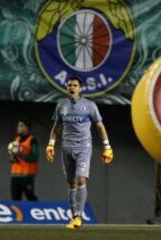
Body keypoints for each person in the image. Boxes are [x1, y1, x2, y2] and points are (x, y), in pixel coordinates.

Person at [45, 76, 114, 229]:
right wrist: (51, 144)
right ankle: (74, 215)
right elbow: (56, 126)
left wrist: (107, 146)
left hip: (84, 147)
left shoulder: (90, 106)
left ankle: (79, 217)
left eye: (75, 85)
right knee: (71, 182)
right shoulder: (61, 105)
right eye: (69, 85)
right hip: (66, 147)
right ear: (66, 87)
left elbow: (100, 126)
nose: (72, 87)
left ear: (80, 88)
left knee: (81, 179)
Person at [8, 118, 39, 201]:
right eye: (18, 125)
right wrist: (12, 157)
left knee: (30, 197)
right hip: (15, 175)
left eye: (21, 125)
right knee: (15, 200)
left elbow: (35, 157)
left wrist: (20, 155)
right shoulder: (16, 140)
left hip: (27, 175)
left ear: (27, 127)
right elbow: (12, 159)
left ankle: (37, 212)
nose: (18, 127)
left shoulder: (32, 140)